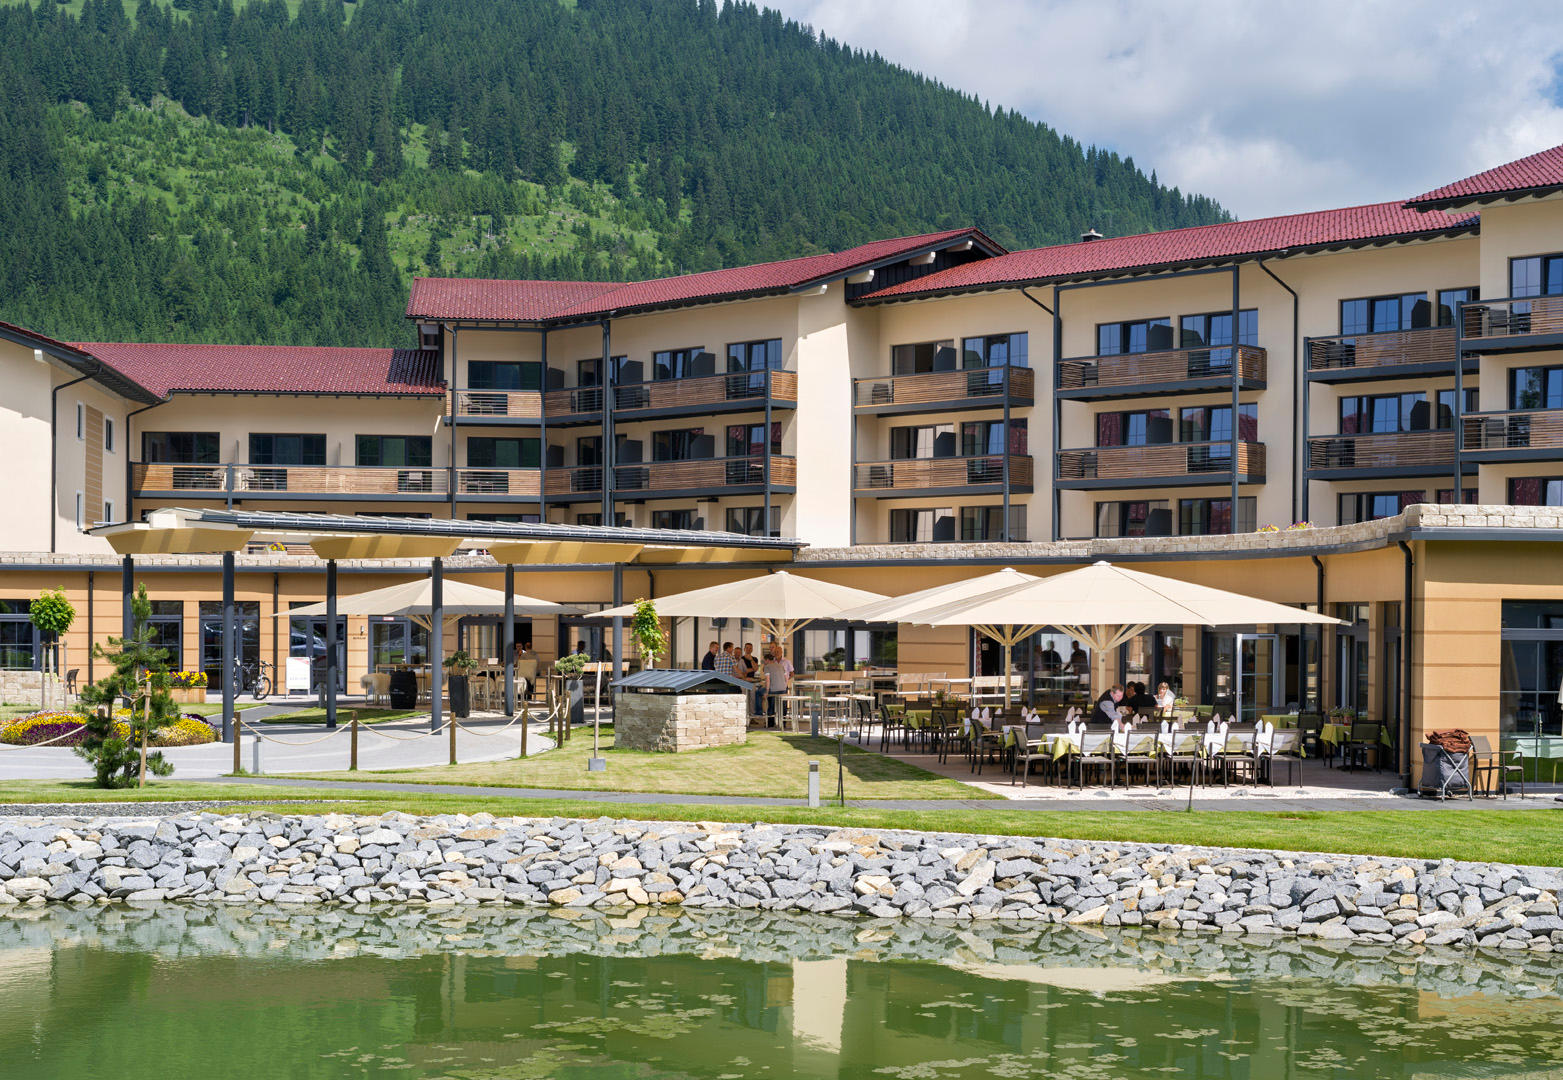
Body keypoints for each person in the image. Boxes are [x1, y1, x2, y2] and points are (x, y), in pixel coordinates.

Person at [762, 646, 793, 725]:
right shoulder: (780, 666)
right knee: (782, 706)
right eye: (775, 652)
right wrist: (784, 685)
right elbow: (786, 678)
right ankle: (782, 723)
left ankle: (770, 722)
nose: (777, 653)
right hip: (783, 688)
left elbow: (768, 680)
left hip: (774, 689)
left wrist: (767, 691)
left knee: (772, 703)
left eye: (778, 651)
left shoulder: (768, 666)